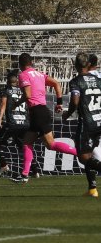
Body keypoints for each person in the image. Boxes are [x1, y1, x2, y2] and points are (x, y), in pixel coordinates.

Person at [12, 53, 77, 183]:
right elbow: (56, 84)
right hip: (43, 111)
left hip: (37, 112)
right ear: (31, 63)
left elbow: (28, 95)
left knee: (48, 144)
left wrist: (17, 103)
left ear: (20, 64)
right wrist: (59, 102)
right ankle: (24, 174)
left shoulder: (23, 75)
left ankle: (81, 153)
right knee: (31, 142)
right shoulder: (40, 74)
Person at [62, 52, 101, 197]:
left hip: (87, 123)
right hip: (99, 120)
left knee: (83, 157)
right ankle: (92, 189)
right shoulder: (98, 80)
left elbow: (75, 101)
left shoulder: (76, 81)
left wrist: (68, 113)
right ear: (88, 64)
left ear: (76, 65)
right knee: (89, 156)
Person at [0, 70, 40, 177]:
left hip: (12, 124)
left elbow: (3, 104)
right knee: (26, 147)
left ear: (7, 81)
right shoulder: (24, 91)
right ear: (17, 80)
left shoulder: (7, 90)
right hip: (25, 123)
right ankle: (35, 171)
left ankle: (4, 166)